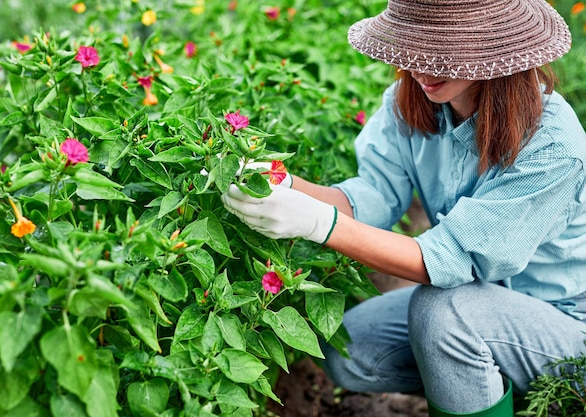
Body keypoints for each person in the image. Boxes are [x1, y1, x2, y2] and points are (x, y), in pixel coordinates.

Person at [221, 0, 586, 415]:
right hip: (483, 302)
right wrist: (283, 183)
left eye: (443, 55)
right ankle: (487, 388)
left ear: (491, 50)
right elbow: (370, 195)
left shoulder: (552, 144)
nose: (421, 69)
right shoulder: (410, 101)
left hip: (566, 329)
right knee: (352, 348)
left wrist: (318, 223)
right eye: (414, 49)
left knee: (442, 310)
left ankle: (546, 399)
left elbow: (446, 259)